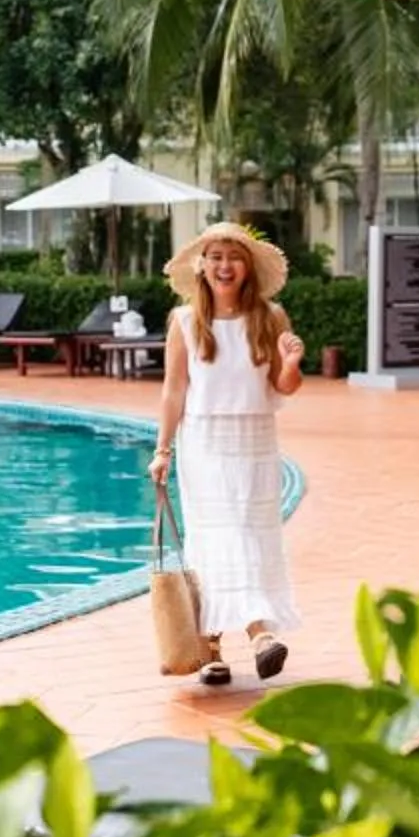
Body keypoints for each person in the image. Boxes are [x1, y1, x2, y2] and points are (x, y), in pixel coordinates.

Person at [148, 222, 306, 687]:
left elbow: (284, 387)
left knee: (252, 537)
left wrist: (293, 364)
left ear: (247, 267)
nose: (223, 265)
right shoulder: (184, 321)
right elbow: (173, 391)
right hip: (205, 444)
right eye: (215, 255)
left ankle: (231, 639)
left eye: (232, 256)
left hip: (256, 442)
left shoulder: (270, 316)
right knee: (216, 536)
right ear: (203, 265)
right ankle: (245, 638)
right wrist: (162, 450)